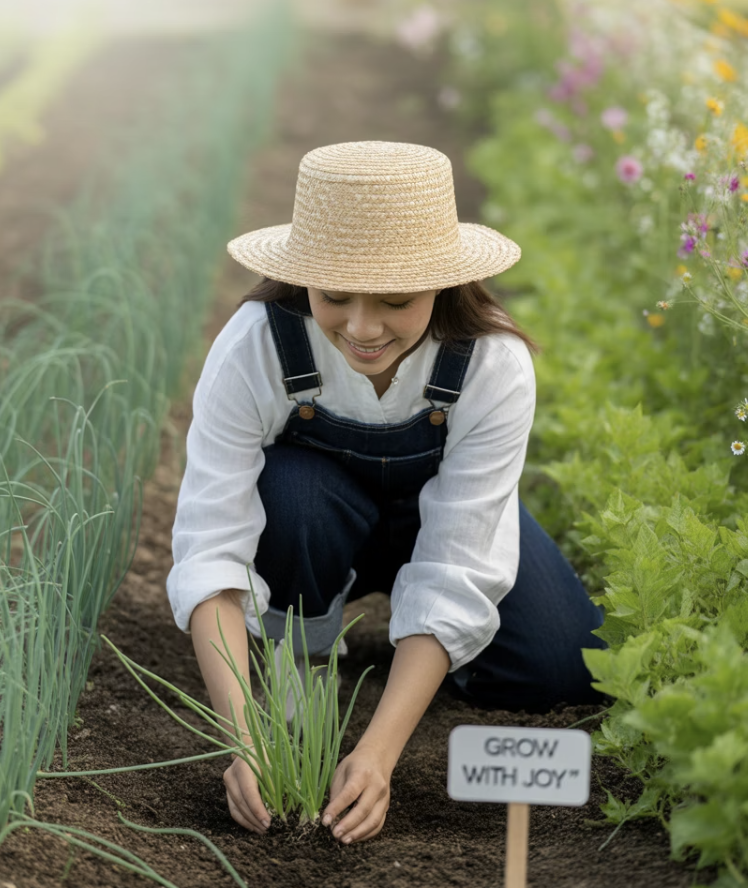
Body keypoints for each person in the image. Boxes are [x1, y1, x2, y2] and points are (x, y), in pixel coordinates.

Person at [166, 140, 605, 846]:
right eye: (334, 296)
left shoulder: (492, 363)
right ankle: (299, 659)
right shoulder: (255, 344)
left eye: (396, 301)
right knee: (297, 491)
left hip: (439, 524)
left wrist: (377, 754)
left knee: (563, 664)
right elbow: (210, 547)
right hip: (312, 523)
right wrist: (242, 741)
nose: (363, 328)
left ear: (443, 283)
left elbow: (459, 560)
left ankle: (414, 643)